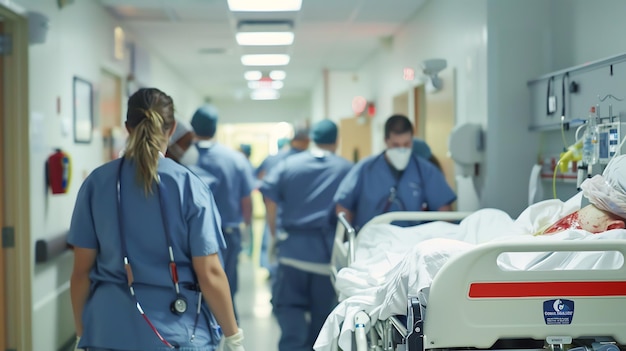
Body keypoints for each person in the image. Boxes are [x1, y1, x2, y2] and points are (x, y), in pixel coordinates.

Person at [68, 88, 244, 351]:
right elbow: (210, 273)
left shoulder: (97, 183)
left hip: (108, 332)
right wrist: (233, 336)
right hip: (175, 331)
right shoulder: (189, 186)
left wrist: (83, 334)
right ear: (172, 130)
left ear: (128, 127)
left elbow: (81, 273)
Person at [260, 119, 353, 351]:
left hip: (292, 253)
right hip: (326, 256)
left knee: (290, 314)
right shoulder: (345, 168)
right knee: (323, 323)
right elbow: (347, 210)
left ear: (312, 139)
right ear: (336, 141)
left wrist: (274, 232)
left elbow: (269, 198)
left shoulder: (289, 165)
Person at [334, 114, 456, 231]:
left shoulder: (425, 170)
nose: (402, 150)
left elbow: (444, 211)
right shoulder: (366, 168)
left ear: (412, 140)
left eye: (406, 144)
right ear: (386, 141)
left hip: (411, 242)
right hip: (371, 241)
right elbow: (343, 206)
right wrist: (350, 237)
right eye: (396, 145)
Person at [190, 104, 255, 316]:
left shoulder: (180, 159)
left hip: (188, 236)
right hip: (227, 234)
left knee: (193, 287)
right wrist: (247, 229)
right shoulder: (236, 159)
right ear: (215, 128)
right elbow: (247, 199)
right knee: (225, 285)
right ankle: (228, 332)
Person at [256, 127, 310, 275]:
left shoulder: (274, 159)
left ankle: (271, 271)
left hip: (277, 217)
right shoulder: (307, 161)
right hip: (299, 223)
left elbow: (263, 184)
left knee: (274, 255)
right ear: (307, 141)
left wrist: (272, 228)